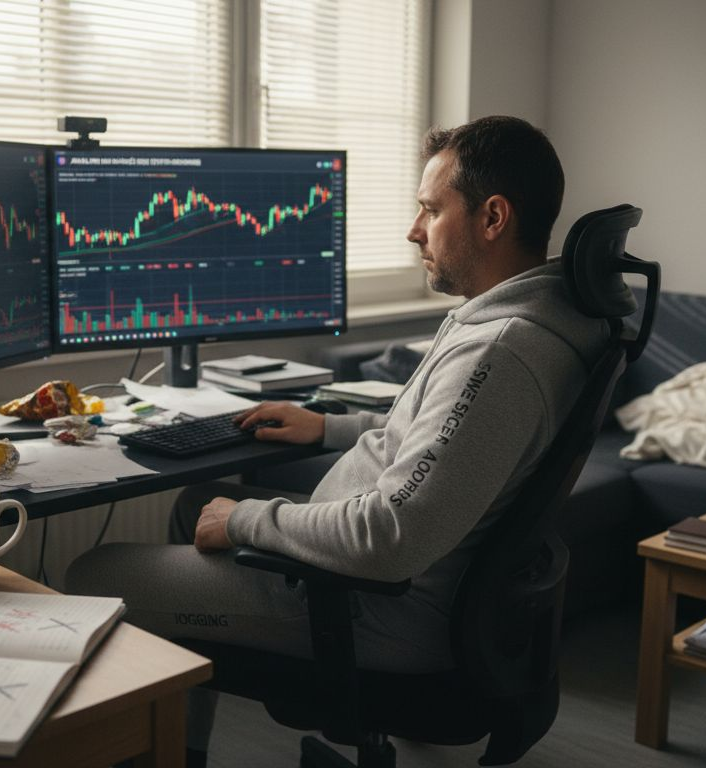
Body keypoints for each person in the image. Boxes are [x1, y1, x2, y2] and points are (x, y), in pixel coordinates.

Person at [65, 115, 610, 764]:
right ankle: (183, 749)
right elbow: (444, 440)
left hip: (370, 605)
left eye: (430, 211)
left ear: (492, 218)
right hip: (394, 581)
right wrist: (329, 428)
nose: (414, 231)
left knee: (91, 573)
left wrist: (249, 521)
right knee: (195, 505)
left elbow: (388, 539)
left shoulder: (499, 351)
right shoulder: (546, 314)